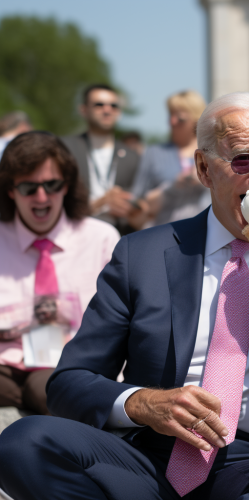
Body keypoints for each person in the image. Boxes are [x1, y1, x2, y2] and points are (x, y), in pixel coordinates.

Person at [0, 92, 249, 500]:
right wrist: (143, 403)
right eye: (242, 159)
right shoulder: (141, 255)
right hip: (147, 457)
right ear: (204, 168)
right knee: (23, 443)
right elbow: (69, 384)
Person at [0, 131, 120, 416]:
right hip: (5, 365)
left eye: (51, 185)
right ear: (10, 190)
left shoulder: (101, 238)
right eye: (29, 187)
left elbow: (120, 324)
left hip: (73, 364)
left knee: (50, 389)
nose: (41, 197)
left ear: (66, 187)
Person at [62, 84, 141, 235]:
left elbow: (140, 205)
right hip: (76, 234)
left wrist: (137, 208)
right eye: (99, 105)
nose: (107, 110)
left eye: (114, 105)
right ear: (83, 110)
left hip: (121, 237)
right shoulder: (65, 149)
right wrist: (102, 202)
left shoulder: (132, 156)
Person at [129, 90, 210, 228]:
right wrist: (171, 187)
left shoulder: (212, 152)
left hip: (208, 232)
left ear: (197, 120)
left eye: (180, 118)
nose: (172, 122)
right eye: (170, 115)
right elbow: (138, 200)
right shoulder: (154, 152)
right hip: (165, 232)